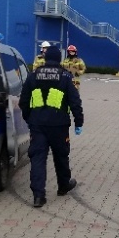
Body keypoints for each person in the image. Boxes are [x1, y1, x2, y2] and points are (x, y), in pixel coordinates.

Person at [19, 45, 84, 207]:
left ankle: (38, 196)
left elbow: (23, 101)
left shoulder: (33, 76)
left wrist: (29, 118)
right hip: (59, 125)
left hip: (38, 125)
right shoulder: (66, 77)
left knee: (38, 158)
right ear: (59, 59)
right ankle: (63, 186)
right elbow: (75, 102)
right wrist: (79, 122)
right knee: (61, 157)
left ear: (46, 58)